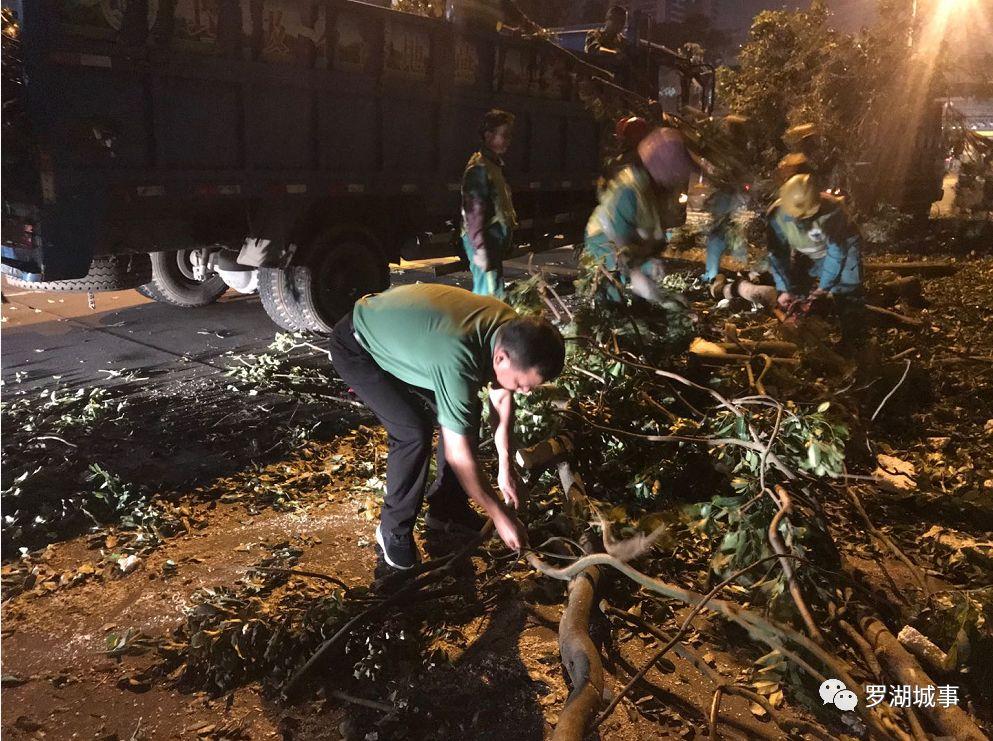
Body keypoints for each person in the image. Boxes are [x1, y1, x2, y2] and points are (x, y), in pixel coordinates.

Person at [328, 283, 565, 570]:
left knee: (468, 409)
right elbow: (459, 456)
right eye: (521, 384)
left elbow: (502, 397)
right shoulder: (459, 357)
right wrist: (500, 515)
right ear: (501, 358)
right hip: (358, 346)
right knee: (412, 431)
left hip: (414, 343)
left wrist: (506, 467)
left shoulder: (511, 331)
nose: (524, 391)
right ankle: (393, 530)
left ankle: (446, 509)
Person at [583, 127, 697, 302]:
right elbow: (619, 242)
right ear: (664, 169)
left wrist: (649, 262)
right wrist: (636, 273)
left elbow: (651, 232)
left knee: (639, 297)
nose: (678, 178)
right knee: (613, 296)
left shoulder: (654, 189)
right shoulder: (630, 190)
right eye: (676, 172)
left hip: (629, 247)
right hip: (604, 243)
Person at [766, 174, 866, 347]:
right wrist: (784, 288)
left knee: (846, 288)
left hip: (843, 246)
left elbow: (836, 253)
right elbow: (777, 253)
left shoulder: (833, 211)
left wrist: (824, 287)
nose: (800, 219)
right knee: (797, 287)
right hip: (806, 248)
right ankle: (804, 327)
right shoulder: (776, 215)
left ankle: (853, 339)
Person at [461, 109, 518, 299]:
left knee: (492, 294)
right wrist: (480, 250)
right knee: (489, 298)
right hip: (484, 245)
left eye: (509, 135)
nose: (508, 140)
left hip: (491, 245)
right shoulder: (479, 168)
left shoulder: (492, 165)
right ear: (488, 135)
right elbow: (473, 214)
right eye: (504, 135)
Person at [702, 115, 751, 282]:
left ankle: (712, 275)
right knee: (735, 232)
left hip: (727, 194)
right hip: (735, 195)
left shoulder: (730, 148)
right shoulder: (743, 148)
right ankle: (742, 271)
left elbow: (723, 171)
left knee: (717, 233)